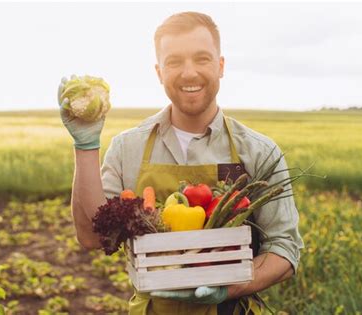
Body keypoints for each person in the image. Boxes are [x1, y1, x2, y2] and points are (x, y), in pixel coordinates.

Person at [59, 11, 304, 315]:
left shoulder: (259, 152)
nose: (189, 73)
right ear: (159, 71)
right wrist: (85, 146)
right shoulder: (128, 148)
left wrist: (227, 289)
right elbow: (91, 236)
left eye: (202, 58)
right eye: (174, 61)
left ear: (221, 66)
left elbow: (285, 250)